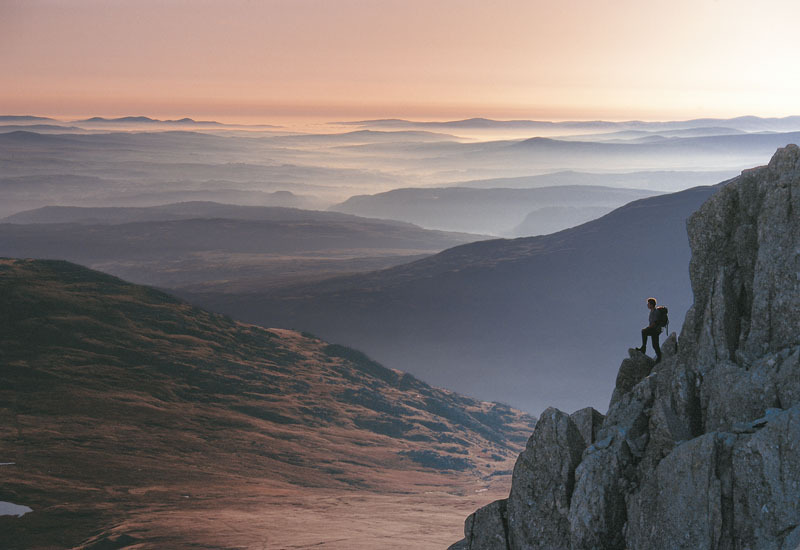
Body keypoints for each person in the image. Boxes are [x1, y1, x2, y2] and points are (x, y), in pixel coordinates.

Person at [638, 297, 662, 362]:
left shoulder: (656, 312)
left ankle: (643, 348)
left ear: (651, 304)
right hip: (653, 330)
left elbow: (655, 322)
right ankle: (659, 357)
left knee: (644, 332)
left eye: (648, 304)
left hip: (656, 330)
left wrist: (648, 328)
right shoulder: (651, 312)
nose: (647, 305)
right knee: (655, 345)